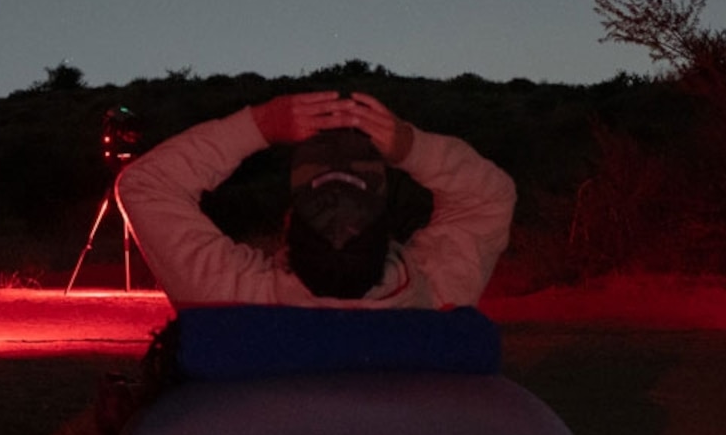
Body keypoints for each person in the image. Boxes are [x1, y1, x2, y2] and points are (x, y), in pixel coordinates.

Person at [118, 89, 515, 308]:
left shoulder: (227, 300)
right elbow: (488, 197)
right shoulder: (436, 300)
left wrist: (260, 124)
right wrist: (413, 147)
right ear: (387, 229)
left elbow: (146, 185)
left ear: (288, 224)